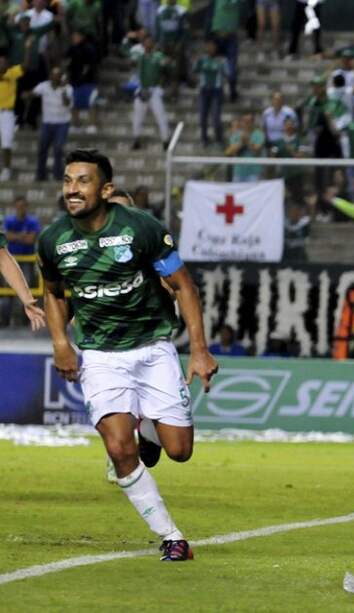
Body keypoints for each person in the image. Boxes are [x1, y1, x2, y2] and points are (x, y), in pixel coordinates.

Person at [37, 149, 218, 561]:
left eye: (82, 181)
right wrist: (61, 343)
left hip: (153, 348)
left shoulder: (143, 229)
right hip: (100, 355)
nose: (72, 190)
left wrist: (200, 351)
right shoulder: (54, 240)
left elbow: (185, 286)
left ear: (106, 188)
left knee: (180, 451)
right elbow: (52, 292)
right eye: (67, 181)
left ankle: (149, 432)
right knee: (119, 449)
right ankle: (171, 537)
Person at [0, 198, 45, 330]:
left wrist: (27, 300)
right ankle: (5, 320)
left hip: (25, 260)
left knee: (20, 291)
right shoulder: (9, 220)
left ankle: (22, 323)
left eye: (23, 206)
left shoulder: (31, 221)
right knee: (6, 294)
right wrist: (22, 236)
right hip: (17, 257)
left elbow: (3, 257)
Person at [31, 66, 73, 182]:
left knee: (58, 148)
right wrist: (28, 94)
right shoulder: (43, 86)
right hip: (47, 123)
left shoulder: (68, 88)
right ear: (50, 76)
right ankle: (41, 174)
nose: (55, 77)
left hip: (62, 123)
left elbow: (67, 103)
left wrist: (63, 90)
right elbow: (33, 93)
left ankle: (58, 174)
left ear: (61, 77)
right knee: (42, 148)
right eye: (53, 75)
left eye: (58, 75)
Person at [193, 37, 228, 147]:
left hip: (216, 91)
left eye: (212, 46)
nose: (210, 48)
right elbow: (194, 71)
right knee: (202, 116)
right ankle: (204, 138)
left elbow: (228, 73)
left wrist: (220, 70)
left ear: (216, 47)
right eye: (208, 46)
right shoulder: (201, 60)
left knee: (215, 117)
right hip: (204, 90)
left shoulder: (222, 60)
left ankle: (219, 137)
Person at [0, 54, 23, 181]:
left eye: (3, 62)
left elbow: (26, 65)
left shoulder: (12, 73)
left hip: (7, 114)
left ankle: (6, 169)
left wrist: (28, 48)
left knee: (6, 143)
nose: (1, 64)